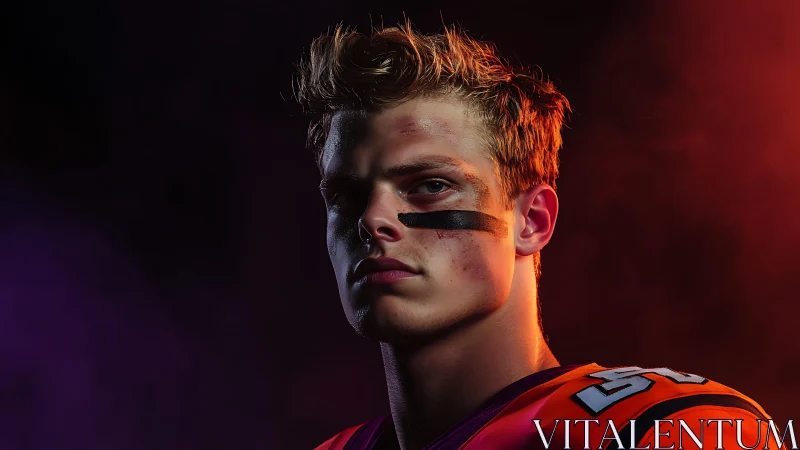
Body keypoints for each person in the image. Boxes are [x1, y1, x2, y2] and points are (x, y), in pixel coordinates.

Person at [293, 20, 785, 450]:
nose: (373, 218)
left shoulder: (664, 428)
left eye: (430, 186)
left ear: (532, 221)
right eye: (346, 195)